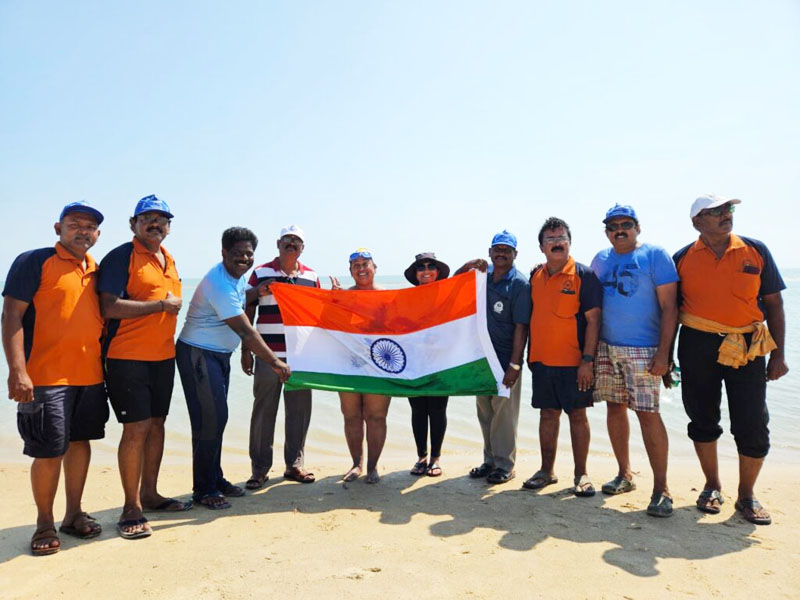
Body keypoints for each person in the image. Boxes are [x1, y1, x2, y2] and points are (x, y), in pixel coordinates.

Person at [673, 194, 788, 525]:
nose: (726, 215)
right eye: (716, 212)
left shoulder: (756, 250)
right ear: (697, 222)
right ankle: (712, 486)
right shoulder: (681, 258)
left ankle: (747, 495)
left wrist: (778, 354)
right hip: (696, 343)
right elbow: (669, 311)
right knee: (702, 417)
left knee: (753, 422)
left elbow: (775, 305)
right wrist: (664, 357)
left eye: (729, 210)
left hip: (748, 344)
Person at [2, 201, 109, 555]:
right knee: (48, 451)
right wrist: (17, 370)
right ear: (57, 228)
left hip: (90, 376)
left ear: (97, 234)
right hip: (45, 377)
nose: (83, 231)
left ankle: (74, 514)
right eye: (75, 223)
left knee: (80, 444)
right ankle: (44, 523)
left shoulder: (95, 269)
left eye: (90, 226)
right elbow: (11, 317)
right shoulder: (34, 261)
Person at [176, 227, 291, 509]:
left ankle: (214, 477)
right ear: (224, 253)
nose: (244, 258)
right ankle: (204, 489)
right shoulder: (220, 284)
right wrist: (275, 362)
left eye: (249, 254)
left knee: (216, 418)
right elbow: (247, 333)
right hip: (199, 354)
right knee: (210, 420)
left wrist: (257, 291)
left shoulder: (235, 278)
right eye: (237, 253)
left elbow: (242, 298)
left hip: (217, 356)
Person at [97, 195, 189, 540]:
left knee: (157, 425)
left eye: (162, 219)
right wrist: (158, 306)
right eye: (147, 218)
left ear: (169, 227)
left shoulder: (168, 259)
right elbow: (108, 307)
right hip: (126, 357)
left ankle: (150, 494)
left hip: (163, 359)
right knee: (135, 429)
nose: (155, 224)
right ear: (133, 224)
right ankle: (130, 507)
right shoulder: (122, 256)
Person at [591, 204, 678, 517]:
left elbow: (671, 308)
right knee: (614, 409)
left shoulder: (655, 255)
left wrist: (665, 354)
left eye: (625, 224)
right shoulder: (600, 260)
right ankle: (624, 474)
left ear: (637, 227)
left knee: (647, 414)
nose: (619, 230)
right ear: (606, 232)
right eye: (613, 226)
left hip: (644, 350)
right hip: (606, 346)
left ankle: (662, 489)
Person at [523, 218, 602, 497]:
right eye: (550, 239)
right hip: (542, 361)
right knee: (547, 415)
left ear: (570, 242)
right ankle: (546, 471)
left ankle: (581, 474)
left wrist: (588, 361)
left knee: (578, 416)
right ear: (542, 247)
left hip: (575, 364)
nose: (557, 243)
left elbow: (594, 321)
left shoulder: (584, 275)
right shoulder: (534, 277)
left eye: (561, 238)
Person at [243, 225, 319, 489]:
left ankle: (295, 465)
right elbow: (245, 308)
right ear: (278, 243)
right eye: (287, 240)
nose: (291, 244)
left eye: (297, 240)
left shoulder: (312, 276)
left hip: (300, 357)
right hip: (267, 353)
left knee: (299, 412)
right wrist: (246, 350)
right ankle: (259, 469)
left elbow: (318, 317)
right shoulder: (261, 272)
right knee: (264, 412)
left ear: (302, 248)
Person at [456, 230, 531, 484]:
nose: (501, 253)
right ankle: (489, 461)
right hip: (480, 359)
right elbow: (450, 288)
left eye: (506, 250)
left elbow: (522, 326)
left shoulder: (519, 283)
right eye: (497, 249)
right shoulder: (480, 276)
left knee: (504, 415)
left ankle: (505, 465)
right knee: (485, 412)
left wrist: (515, 364)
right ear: (489, 253)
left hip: (505, 360)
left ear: (515, 254)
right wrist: (467, 265)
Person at [330, 248, 390, 483]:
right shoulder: (344, 296)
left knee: (376, 417)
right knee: (351, 416)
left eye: (366, 263)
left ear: (375, 268)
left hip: (380, 365)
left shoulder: (389, 296)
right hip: (348, 365)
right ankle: (357, 464)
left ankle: (373, 467)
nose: (361, 268)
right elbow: (329, 327)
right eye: (356, 265)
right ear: (351, 271)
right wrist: (334, 301)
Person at [403, 252, 451, 477]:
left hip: (441, 361)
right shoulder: (406, 298)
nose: (426, 270)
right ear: (415, 274)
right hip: (414, 362)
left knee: (438, 409)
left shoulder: (448, 294)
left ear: (438, 271)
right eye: (421, 267)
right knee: (418, 410)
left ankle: (436, 458)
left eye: (431, 266)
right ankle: (421, 456)